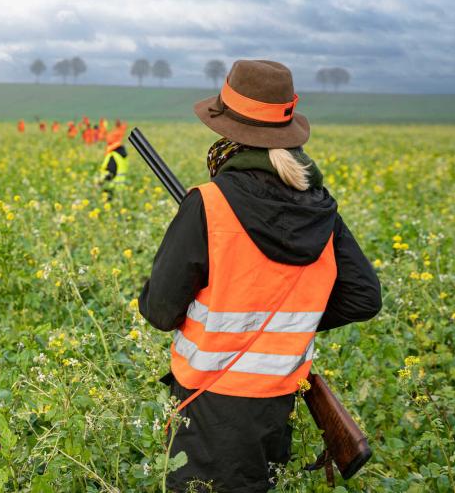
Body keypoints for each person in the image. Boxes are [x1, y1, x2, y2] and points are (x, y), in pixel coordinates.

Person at [138, 60, 381, 492]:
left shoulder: (209, 204)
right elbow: (364, 297)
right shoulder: (322, 210)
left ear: (229, 130)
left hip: (210, 406)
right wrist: (287, 325)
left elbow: (160, 310)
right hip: (276, 405)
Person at [99, 132, 128, 199]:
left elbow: (111, 172)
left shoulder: (113, 156)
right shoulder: (122, 155)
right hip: (120, 187)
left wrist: (100, 182)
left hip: (110, 187)